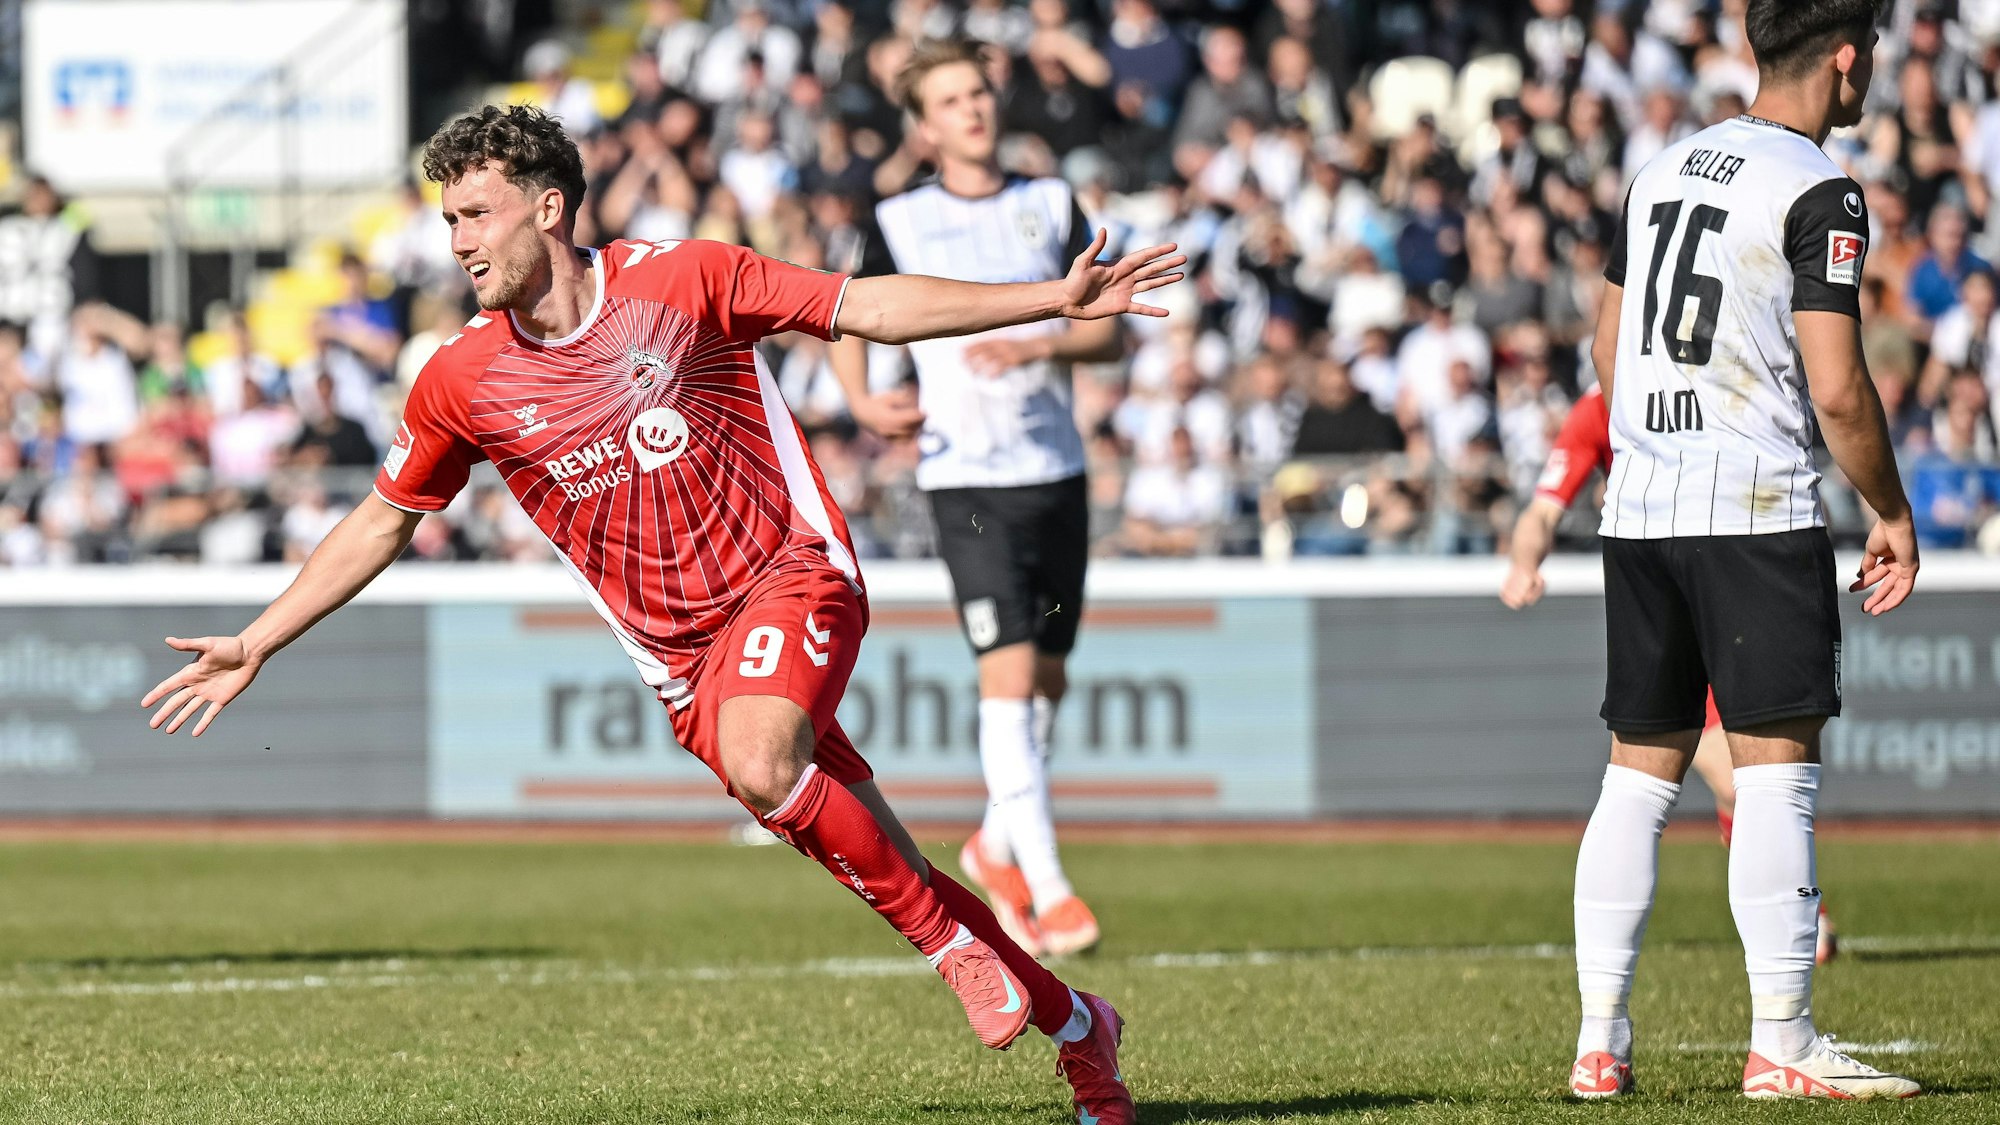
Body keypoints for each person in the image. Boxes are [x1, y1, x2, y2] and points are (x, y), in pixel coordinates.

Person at [139, 104, 1180, 1125]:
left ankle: (952, 952)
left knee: (766, 762)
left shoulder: (682, 278)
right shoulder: (462, 377)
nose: (457, 241)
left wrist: (1051, 298)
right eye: (449, 219)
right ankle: (1080, 1028)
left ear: (549, 208)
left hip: (791, 571)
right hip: (682, 665)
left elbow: (863, 306)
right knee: (891, 864)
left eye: (476, 214)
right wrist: (258, 638)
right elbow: (383, 517)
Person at [1566, 0, 1922, 1101]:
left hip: (1641, 505)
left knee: (1636, 776)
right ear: (1846, 58)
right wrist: (1891, 510)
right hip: (1752, 504)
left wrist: (1652, 442)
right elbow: (1837, 387)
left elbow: (1605, 344)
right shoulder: (1819, 188)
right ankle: (1782, 1042)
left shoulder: (1659, 169)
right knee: (1775, 773)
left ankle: (1598, 1043)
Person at [829, 39, 1111, 960]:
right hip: (965, 477)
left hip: (1055, 469)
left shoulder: (1051, 201)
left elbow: (1108, 330)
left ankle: (995, 841)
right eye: (951, 100)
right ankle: (1052, 886)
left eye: (979, 92)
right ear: (924, 126)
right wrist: (862, 397)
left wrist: (1041, 342)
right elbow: (847, 311)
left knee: (1049, 679)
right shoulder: (900, 219)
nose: (974, 109)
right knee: (1010, 672)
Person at [1500, 387, 1840, 963]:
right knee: (1711, 781)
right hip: (1668, 601)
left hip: (1741, 580)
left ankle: (1790, 921)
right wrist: (1523, 562)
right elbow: (1542, 509)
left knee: (1763, 773)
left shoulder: (1713, 373)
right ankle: (1794, 929)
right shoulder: (1602, 405)